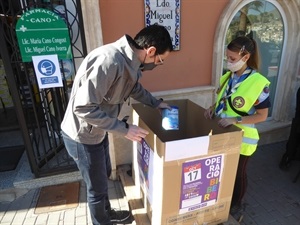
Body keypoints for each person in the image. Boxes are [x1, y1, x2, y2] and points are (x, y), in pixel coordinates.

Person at [61, 24, 173, 225]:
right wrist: (125, 130)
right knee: (96, 189)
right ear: (151, 51)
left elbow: (134, 89)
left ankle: (107, 213)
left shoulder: (130, 63)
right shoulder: (110, 61)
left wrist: (156, 103)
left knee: (103, 178)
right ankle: (101, 221)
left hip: (98, 131)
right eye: (160, 60)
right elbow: (83, 107)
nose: (158, 64)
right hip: (82, 136)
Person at [204, 36, 271, 218]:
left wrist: (236, 120)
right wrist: (212, 109)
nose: (229, 62)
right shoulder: (228, 77)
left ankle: (237, 205)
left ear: (246, 57)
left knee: (238, 174)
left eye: (232, 59)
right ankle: (223, 200)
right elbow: (224, 102)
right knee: (224, 172)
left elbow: (262, 116)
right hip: (223, 134)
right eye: (227, 58)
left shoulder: (258, 83)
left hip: (243, 139)